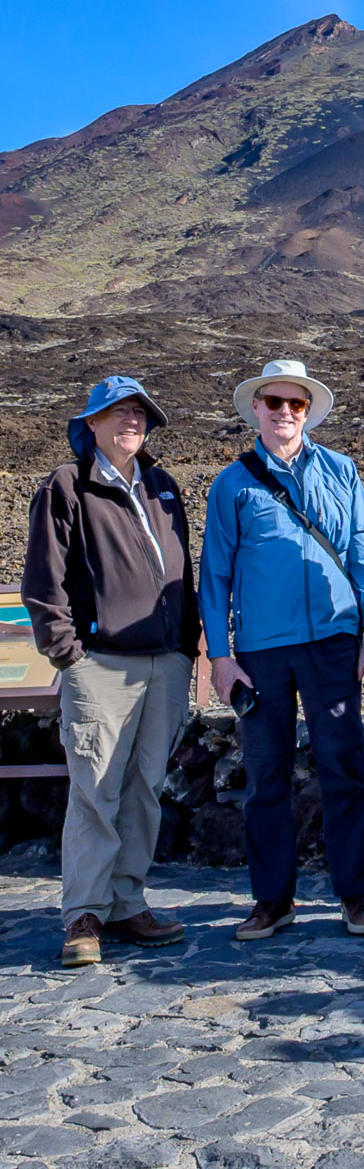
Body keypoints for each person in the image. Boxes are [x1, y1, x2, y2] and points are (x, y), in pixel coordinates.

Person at [199, 359, 364, 941]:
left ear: (308, 410)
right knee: (266, 776)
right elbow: (215, 578)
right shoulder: (232, 483)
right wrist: (221, 657)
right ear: (255, 408)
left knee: (343, 769)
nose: (283, 412)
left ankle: (356, 895)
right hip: (260, 653)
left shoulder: (342, 471)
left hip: (332, 640)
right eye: (273, 402)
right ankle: (272, 900)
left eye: (294, 404)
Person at [24, 377, 201, 967]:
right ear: (91, 423)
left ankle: (128, 902)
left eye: (139, 413)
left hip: (164, 664)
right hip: (99, 665)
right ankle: (85, 913)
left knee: (144, 788)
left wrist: (185, 646)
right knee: (95, 791)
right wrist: (68, 655)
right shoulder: (68, 487)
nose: (131, 421)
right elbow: (44, 582)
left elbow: (183, 573)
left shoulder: (162, 487)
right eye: (117, 412)